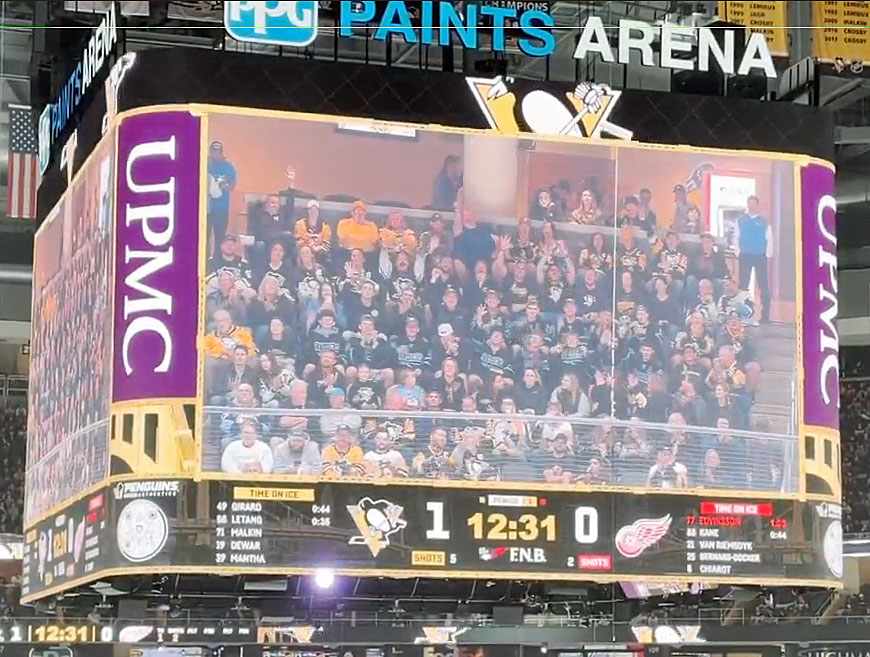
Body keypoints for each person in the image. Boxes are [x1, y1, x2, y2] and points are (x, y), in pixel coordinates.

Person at [735, 195, 772, 323]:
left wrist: (767, 254)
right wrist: (737, 252)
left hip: (760, 255)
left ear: (757, 205)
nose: (751, 206)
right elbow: (736, 237)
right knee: (743, 284)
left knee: (763, 285)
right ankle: (742, 313)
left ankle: (765, 315)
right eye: (749, 203)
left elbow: (769, 238)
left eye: (754, 203)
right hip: (745, 255)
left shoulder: (764, 221)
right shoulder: (741, 220)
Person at [207, 141, 237, 259]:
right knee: (205, 236)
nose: (216, 154)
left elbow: (232, 185)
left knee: (220, 237)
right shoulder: (205, 164)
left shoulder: (228, 167)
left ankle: (218, 261)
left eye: (218, 152)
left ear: (222, 153)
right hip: (206, 209)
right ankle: (205, 262)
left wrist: (223, 187)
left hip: (222, 208)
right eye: (213, 151)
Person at [294, 199, 331, 263]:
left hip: (319, 254)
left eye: (315, 209)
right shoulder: (300, 224)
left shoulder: (325, 227)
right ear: (307, 211)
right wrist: (308, 246)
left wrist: (317, 248)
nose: (313, 212)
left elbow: (327, 246)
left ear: (318, 211)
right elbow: (297, 242)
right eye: (310, 209)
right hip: (303, 252)